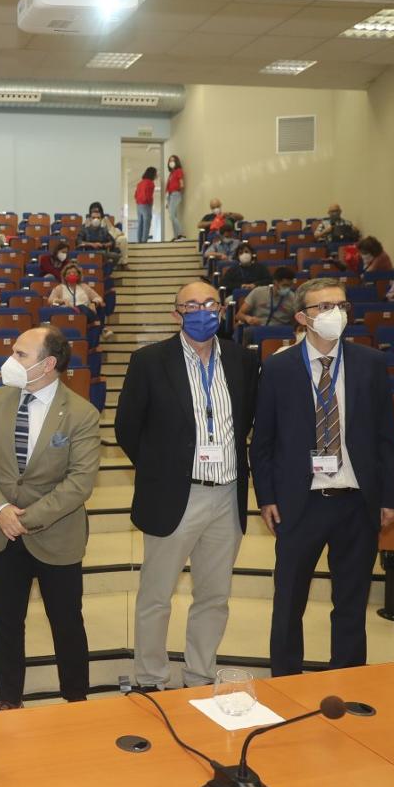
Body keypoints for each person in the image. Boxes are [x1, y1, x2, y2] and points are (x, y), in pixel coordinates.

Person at [250, 277, 394, 676]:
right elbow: (262, 441)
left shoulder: (370, 364)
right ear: (302, 317)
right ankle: (285, 678)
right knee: (289, 602)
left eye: (341, 305)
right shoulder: (279, 366)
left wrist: (391, 497)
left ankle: (349, 676)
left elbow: (387, 437)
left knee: (352, 602)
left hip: (357, 500)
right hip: (301, 502)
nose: (335, 313)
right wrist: (266, 497)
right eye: (323, 307)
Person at [116, 281, 257, 691]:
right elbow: (127, 428)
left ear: (223, 307)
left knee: (214, 597)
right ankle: (150, 677)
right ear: (176, 312)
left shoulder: (241, 360)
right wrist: (162, 469)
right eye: (191, 305)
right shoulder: (149, 360)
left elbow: (246, 420)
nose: (202, 311)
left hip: (227, 496)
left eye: (210, 303)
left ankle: (198, 675)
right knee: (156, 597)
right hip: (176, 494)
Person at [0, 326, 101, 709]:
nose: (11, 360)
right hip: (2, 533)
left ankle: (76, 698)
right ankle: (9, 699)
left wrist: (25, 518)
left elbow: (79, 483)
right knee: (7, 623)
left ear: (49, 364)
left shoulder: (81, 414)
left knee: (66, 623)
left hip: (56, 534)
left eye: (21, 354)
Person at [76, 202, 127, 266]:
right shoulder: (84, 229)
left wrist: (103, 245)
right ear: (90, 218)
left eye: (98, 218)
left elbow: (112, 241)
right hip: (89, 251)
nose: (96, 219)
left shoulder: (104, 230)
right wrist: (92, 244)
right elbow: (79, 241)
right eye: (93, 217)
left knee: (116, 255)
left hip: (102, 251)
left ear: (101, 218)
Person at [134, 166, 157, 244]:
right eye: (155, 173)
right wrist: (149, 202)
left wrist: (139, 201)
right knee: (146, 224)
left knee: (140, 223)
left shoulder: (140, 183)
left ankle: (139, 241)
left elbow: (135, 195)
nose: (156, 175)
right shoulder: (150, 183)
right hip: (146, 204)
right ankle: (144, 241)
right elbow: (148, 195)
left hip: (138, 205)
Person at [165, 155, 185, 240]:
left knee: (172, 216)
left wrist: (180, 190)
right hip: (169, 195)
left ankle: (180, 233)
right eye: (170, 161)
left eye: (173, 160)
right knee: (173, 216)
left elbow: (181, 183)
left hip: (175, 194)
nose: (171, 162)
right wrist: (167, 201)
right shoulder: (171, 174)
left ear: (176, 162)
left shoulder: (178, 171)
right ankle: (176, 235)